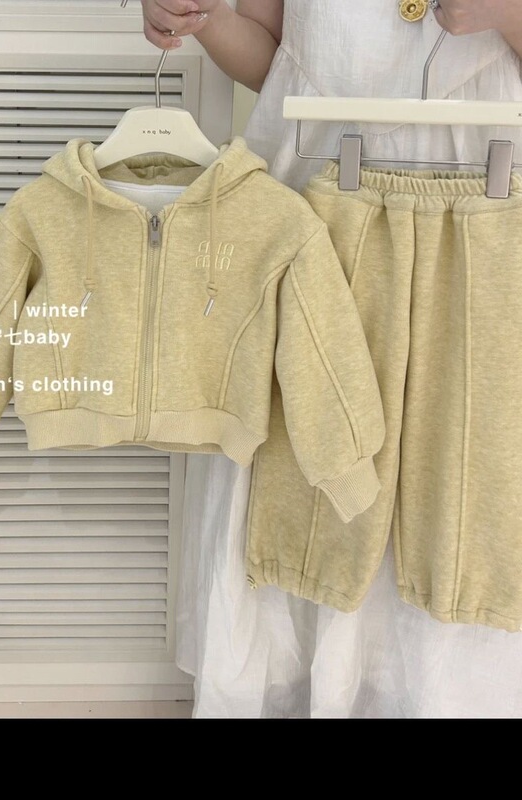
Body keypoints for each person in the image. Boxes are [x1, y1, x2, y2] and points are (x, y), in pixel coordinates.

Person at [139, 0, 522, 718]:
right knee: (304, 431)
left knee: (465, 453)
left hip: (488, 171)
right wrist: (200, 16)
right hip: (315, 166)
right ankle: (302, 693)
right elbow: (277, 52)